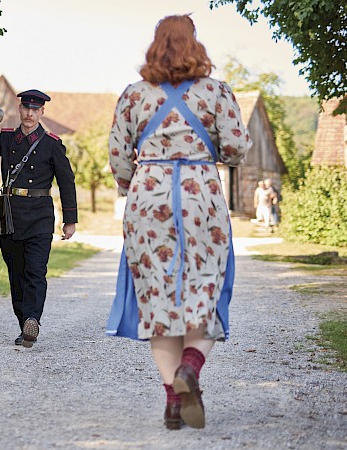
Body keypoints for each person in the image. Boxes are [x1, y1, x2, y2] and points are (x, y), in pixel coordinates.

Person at [105, 15, 252, 430]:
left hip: (148, 199)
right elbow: (237, 148)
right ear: (194, 45)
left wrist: (137, 185)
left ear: (155, 45)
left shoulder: (134, 96)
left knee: (158, 301)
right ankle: (191, 367)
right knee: (206, 291)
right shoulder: (218, 92)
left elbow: (117, 156)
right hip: (201, 195)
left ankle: (173, 399)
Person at [0, 90, 78, 348]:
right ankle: (24, 327)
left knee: (36, 271)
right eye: (26, 108)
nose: (29, 113)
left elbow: (66, 182)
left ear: (41, 113)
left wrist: (69, 219)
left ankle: (33, 319)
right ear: (20, 109)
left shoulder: (52, 144)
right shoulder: (7, 139)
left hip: (39, 216)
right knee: (16, 275)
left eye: (34, 110)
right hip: (10, 217)